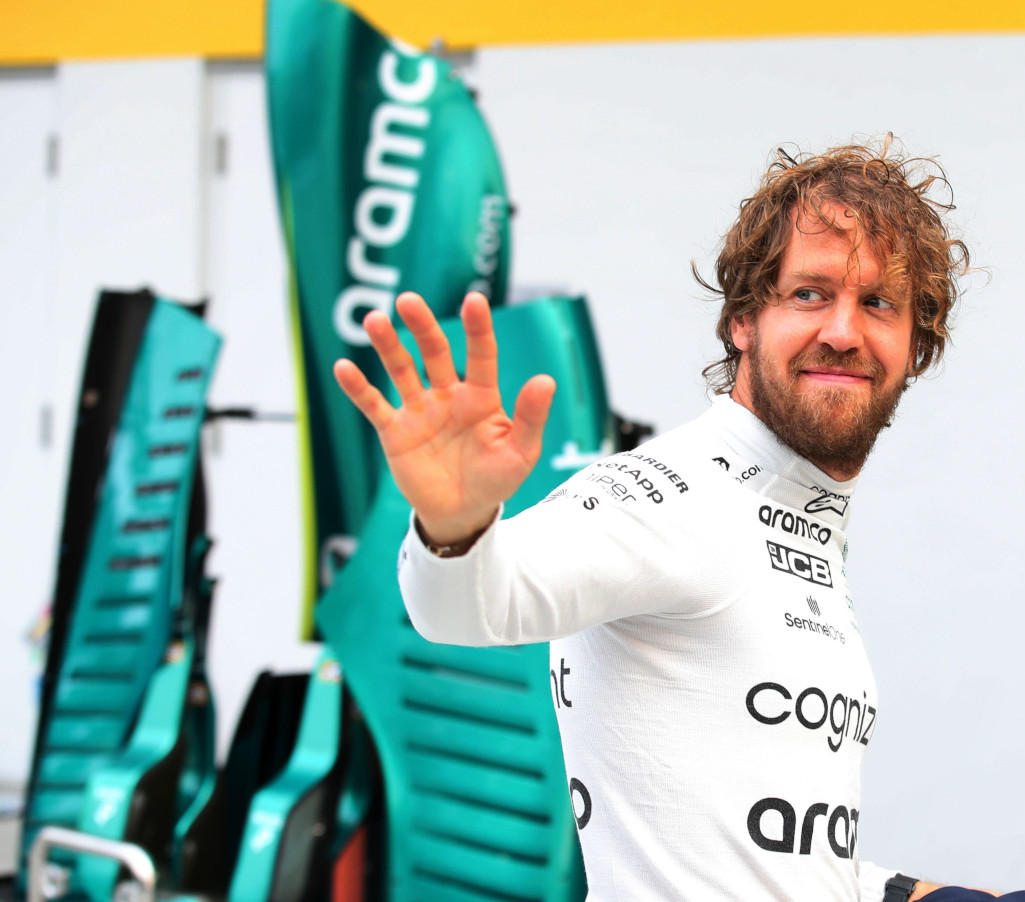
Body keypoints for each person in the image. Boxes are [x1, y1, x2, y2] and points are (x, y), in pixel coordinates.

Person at [333, 141, 989, 901]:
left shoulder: (798, 516)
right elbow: (469, 605)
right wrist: (455, 525)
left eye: (878, 303)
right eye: (810, 294)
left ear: (915, 346)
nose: (843, 330)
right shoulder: (673, 496)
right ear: (743, 321)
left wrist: (932, 896)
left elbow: (768, 868)